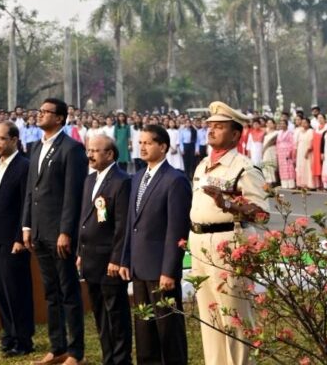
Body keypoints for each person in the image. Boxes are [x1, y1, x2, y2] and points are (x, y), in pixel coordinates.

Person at [189, 102, 270, 365]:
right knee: (209, 315)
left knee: (234, 314)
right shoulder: (202, 165)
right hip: (200, 242)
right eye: (210, 126)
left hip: (229, 242)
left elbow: (262, 214)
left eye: (219, 127)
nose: (211, 131)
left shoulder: (243, 168)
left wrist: (229, 205)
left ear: (236, 135)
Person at [22, 97, 88, 365]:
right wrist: (27, 225)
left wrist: (66, 231)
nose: (40, 115)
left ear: (59, 118)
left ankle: (76, 352)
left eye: (46, 112)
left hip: (59, 234)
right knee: (51, 293)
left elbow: (73, 194)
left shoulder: (71, 149)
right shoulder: (37, 146)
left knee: (68, 292)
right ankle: (57, 347)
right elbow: (31, 190)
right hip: (38, 231)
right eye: (39, 110)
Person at [119, 124, 191, 365]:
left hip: (161, 269)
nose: (142, 147)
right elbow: (132, 222)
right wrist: (125, 259)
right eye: (140, 143)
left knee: (168, 328)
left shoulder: (175, 180)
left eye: (148, 143)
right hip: (140, 266)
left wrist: (169, 270)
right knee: (144, 327)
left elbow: (176, 230)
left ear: (163, 146)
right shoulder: (138, 176)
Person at [77, 134, 132, 365]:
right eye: (88, 150)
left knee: (116, 314)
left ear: (109, 154)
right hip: (90, 258)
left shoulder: (121, 181)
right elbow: (84, 219)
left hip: (109, 259)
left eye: (95, 151)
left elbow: (122, 224)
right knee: (100, 313)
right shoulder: (90, 180)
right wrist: (80, 252)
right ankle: (108, 358)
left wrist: (117, 258)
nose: (89, 155)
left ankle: (121, 360)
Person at [0, 121, 34, 358]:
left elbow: (26, 203)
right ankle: (9, 335)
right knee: (1, 290)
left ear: (14, 140)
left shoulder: (24, 166)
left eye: (2, 139)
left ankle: (23, 339)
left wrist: (19, 237)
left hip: (13, 240)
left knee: (17, 291)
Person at [275, 116, 296, 189]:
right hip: (281, 153)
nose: (282, 125)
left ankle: (291, 184)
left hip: (287, 152)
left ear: (287, 125)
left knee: (289, 167)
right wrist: (277, 152)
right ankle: (284, 183)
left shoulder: (289, 133)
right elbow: (277, 143)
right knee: (282, 168)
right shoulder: (279, 133)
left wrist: (290, 152)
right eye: (281, 124)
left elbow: (292, 143)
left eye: (283, 124)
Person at [294, 116, 314, 190]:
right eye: (302, 123)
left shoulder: (310, 131)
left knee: (308, 167)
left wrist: (307, 152)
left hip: (307, 152)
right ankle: (301, 184)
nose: (303, 124)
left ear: (309, 123)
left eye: (305, 123)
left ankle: (309, 184)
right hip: (300, 151)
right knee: (301, 167)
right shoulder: (300, 131)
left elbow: (311, 143)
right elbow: (297, 143)